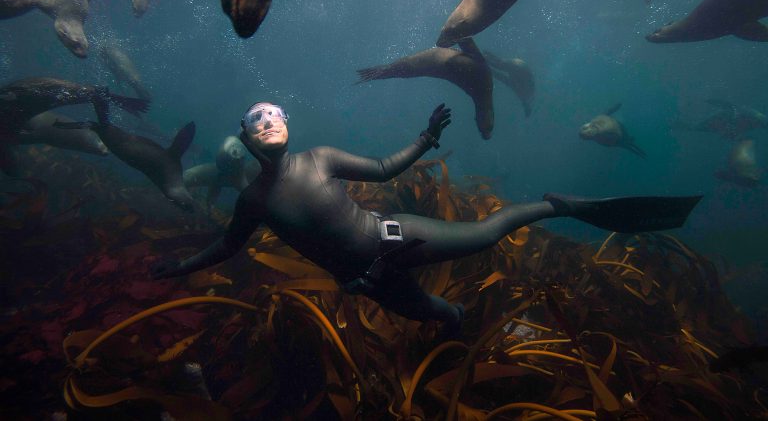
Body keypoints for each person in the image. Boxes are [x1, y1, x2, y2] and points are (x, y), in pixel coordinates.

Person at [152, 102, 701, 336]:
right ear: (246, 137)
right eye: (256, 120)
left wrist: (426, 137)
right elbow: (226, 249)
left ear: (287, 123)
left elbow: (387, 170)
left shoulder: (319, 158)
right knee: (439, 314)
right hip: (369, 281)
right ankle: (464, 328)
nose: (267, 121)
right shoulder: (251, 201)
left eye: (274, 114)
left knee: (489, 232)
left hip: (394, 237)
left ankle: (558, 205)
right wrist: (179, 268)